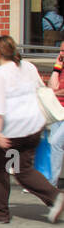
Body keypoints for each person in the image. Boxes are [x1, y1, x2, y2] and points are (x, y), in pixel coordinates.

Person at [0, 35, 63, 224]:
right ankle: (54, 196)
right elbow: (41, 90)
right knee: (22, 169)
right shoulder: (28, 67)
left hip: (10, 132)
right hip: (32, 128)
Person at [45, 38, 64, 187]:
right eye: (60, 50)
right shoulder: (61, 66)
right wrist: (57, 67)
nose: (61, 53)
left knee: (56, 143)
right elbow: (52, 86)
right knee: (52, 142)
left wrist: (55, 93)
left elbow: (56, 91)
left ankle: (50, 184)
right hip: (58, 111)